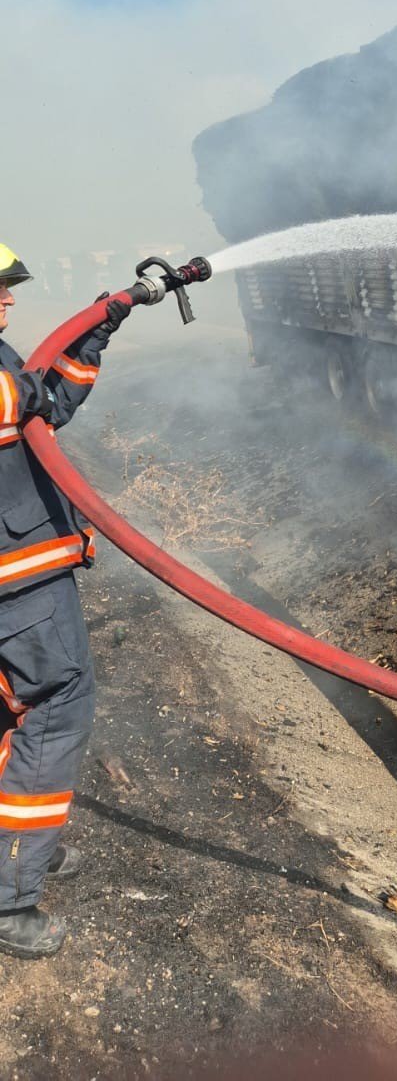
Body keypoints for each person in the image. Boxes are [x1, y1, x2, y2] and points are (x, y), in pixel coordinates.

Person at [0, 243, 129, 958]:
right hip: (17, 583)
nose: (8, 300)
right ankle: (11, 894)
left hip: (19, 574)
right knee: (54, 708)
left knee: (10, 713)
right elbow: (25, 400)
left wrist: (92, 335)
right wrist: (44, 379)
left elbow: (46, 412)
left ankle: (19, 848)